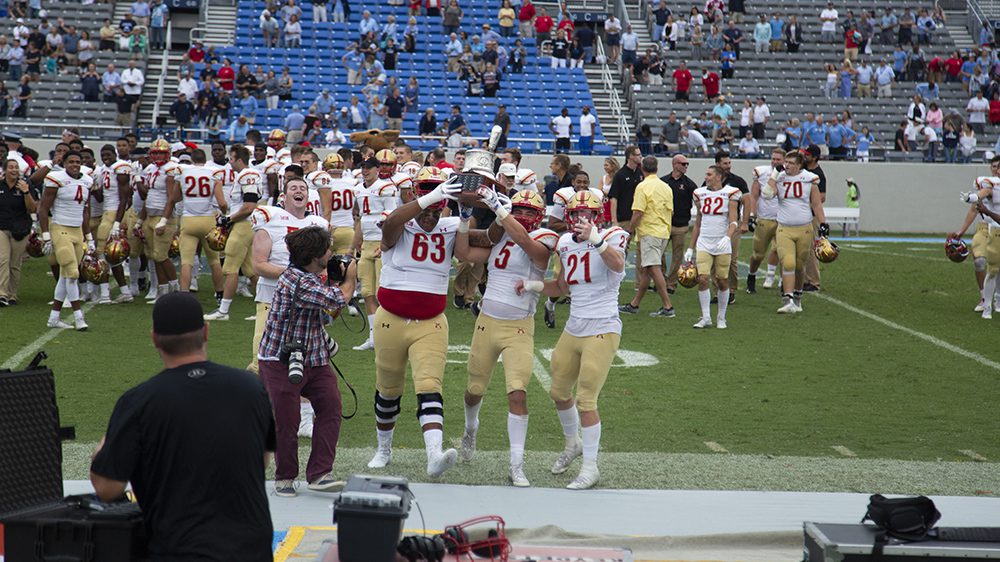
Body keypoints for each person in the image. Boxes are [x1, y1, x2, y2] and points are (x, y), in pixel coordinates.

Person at [89, 292, 274, 560]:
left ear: (154, 339)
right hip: (251, 551)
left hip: (178, 550)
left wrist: (109, 439)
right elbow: (262, 460)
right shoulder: (252, 387)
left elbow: (107, 489)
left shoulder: (138, 402)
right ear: (206, 332)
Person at [515, 190, 627, 489]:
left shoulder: (613, 235)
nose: (581, 219)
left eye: (587, 214)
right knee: (558, 391)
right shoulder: (564, 243)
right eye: (576, 214)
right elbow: (562, 286)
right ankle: (572, 443)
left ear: (597, 217)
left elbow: (618, 265)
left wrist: (596, 239)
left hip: (602, 326)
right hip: (574, 326)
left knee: (586, 399)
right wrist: (532, 285)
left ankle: (590, 468)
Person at [366, 168, 467, 478]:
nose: (430, 217)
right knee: (389, 388)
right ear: (414, 194)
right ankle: (384, 449)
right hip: (391, 320)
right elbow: (392, 225)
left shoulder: (450, 225)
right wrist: (431, 199)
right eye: (428, 206)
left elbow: (469, 251)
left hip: (431, 322)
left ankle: (434, 454)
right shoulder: (400, 218)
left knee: (429, 386)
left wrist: (472, 213)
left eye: (438, 210)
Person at [455, 189, 556, 487]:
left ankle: (517, 464)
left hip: (519, 328)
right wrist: (463, 221)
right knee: (474, 389)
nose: (523, 214)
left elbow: (528, 244)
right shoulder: (500, 238)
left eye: (528, 210)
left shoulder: (544, 237)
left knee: (517, 392)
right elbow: (464, 253)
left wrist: (500, 211)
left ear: (539, 216)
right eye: (519, 209)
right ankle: (471, 428)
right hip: (487, 323)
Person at [257, 218, 352, 499]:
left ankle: (320, 474)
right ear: (314, 257)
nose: (331, 255)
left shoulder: (307, 276)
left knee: (331, 407)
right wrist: (351, 277)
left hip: (314, 355)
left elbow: (326, 312)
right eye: (327, 251)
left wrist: (333, 279)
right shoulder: (298, 282)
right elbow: (336, 301)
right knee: (288, 420)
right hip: (279, 360)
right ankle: (284, 477)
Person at [763, 150, 828, 313]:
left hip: (804, 228)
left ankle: (797, 298)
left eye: (791, 163)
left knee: (800, 266)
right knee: (788, 262)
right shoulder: (780, 177)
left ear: (799, 165)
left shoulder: (809, 178)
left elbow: (816, 204)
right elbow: (767, 194)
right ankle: (788, 298)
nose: (787, 166)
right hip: (784, 227)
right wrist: (774, 175)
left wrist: (823, 223)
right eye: (787, 162)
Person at [204, 144, 263, 319]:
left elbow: (249, 206)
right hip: (243, 224)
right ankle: (267, 310)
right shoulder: (245, 175)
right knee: (251, 270)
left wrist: (228, 219)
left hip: (244, 225)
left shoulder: (248, 174)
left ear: (239, 159)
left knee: (230, 268)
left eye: (231, 159)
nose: (229, 162)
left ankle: (223, 311)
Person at [37, 151, 93, 330]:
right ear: (65, 163)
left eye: (77, 161)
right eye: (71, 162)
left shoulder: (87, 180)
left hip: (77, 231)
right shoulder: (55, 179)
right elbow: (43, 209)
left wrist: (89, 237)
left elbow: (85, 211)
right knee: (73, 273)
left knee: (65, 275)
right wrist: (46, 235)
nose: (75, 165)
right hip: (60, 229)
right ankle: (79, 318)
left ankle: (54, 318)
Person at [350, 157, 397, 350]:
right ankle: (373, 337)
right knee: (367, 292)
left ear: (378, 169)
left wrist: (385, 242)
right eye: (363, 167)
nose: (365, 171)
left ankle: (387, 334)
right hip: (367, 243)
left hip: (380, 242)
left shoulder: (385, 187)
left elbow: (392, 215)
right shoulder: (359, 189)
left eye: (369, 168)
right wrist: (354, 244)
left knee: (381, 292)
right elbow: (362, 219)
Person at [619, 156, 674, 317]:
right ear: (656, 168)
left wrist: (629, 231)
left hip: (650, 232)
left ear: (641, 168)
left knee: (653, 267)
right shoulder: (666, 187)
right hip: (663, 231)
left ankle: (668, 307)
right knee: (647, 269)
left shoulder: (642, 187)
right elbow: (670, 210)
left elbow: (638, 212)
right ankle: (634, 304)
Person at [745, 147, 784, 293]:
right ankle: (752, 276)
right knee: (758, 254)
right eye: (773, 158)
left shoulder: (789, 174)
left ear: (784, 161)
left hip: (783, 219)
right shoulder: (761, 172)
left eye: (778, 159)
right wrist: (752, 215)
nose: (774, 161)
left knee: (780, 250)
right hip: (764, 218)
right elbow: (754, 196)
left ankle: (778, 278)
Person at [0, 158, 36, 306]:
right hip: (2, 227)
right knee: (3, 260)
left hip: (20, 228)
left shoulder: (25, 186)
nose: (14, 170)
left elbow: (32, 209)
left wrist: (26, 192)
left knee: (15, 264)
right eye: (11, 167)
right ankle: (2, 294)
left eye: (16, 167)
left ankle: (12, 294)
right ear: (5, 170)